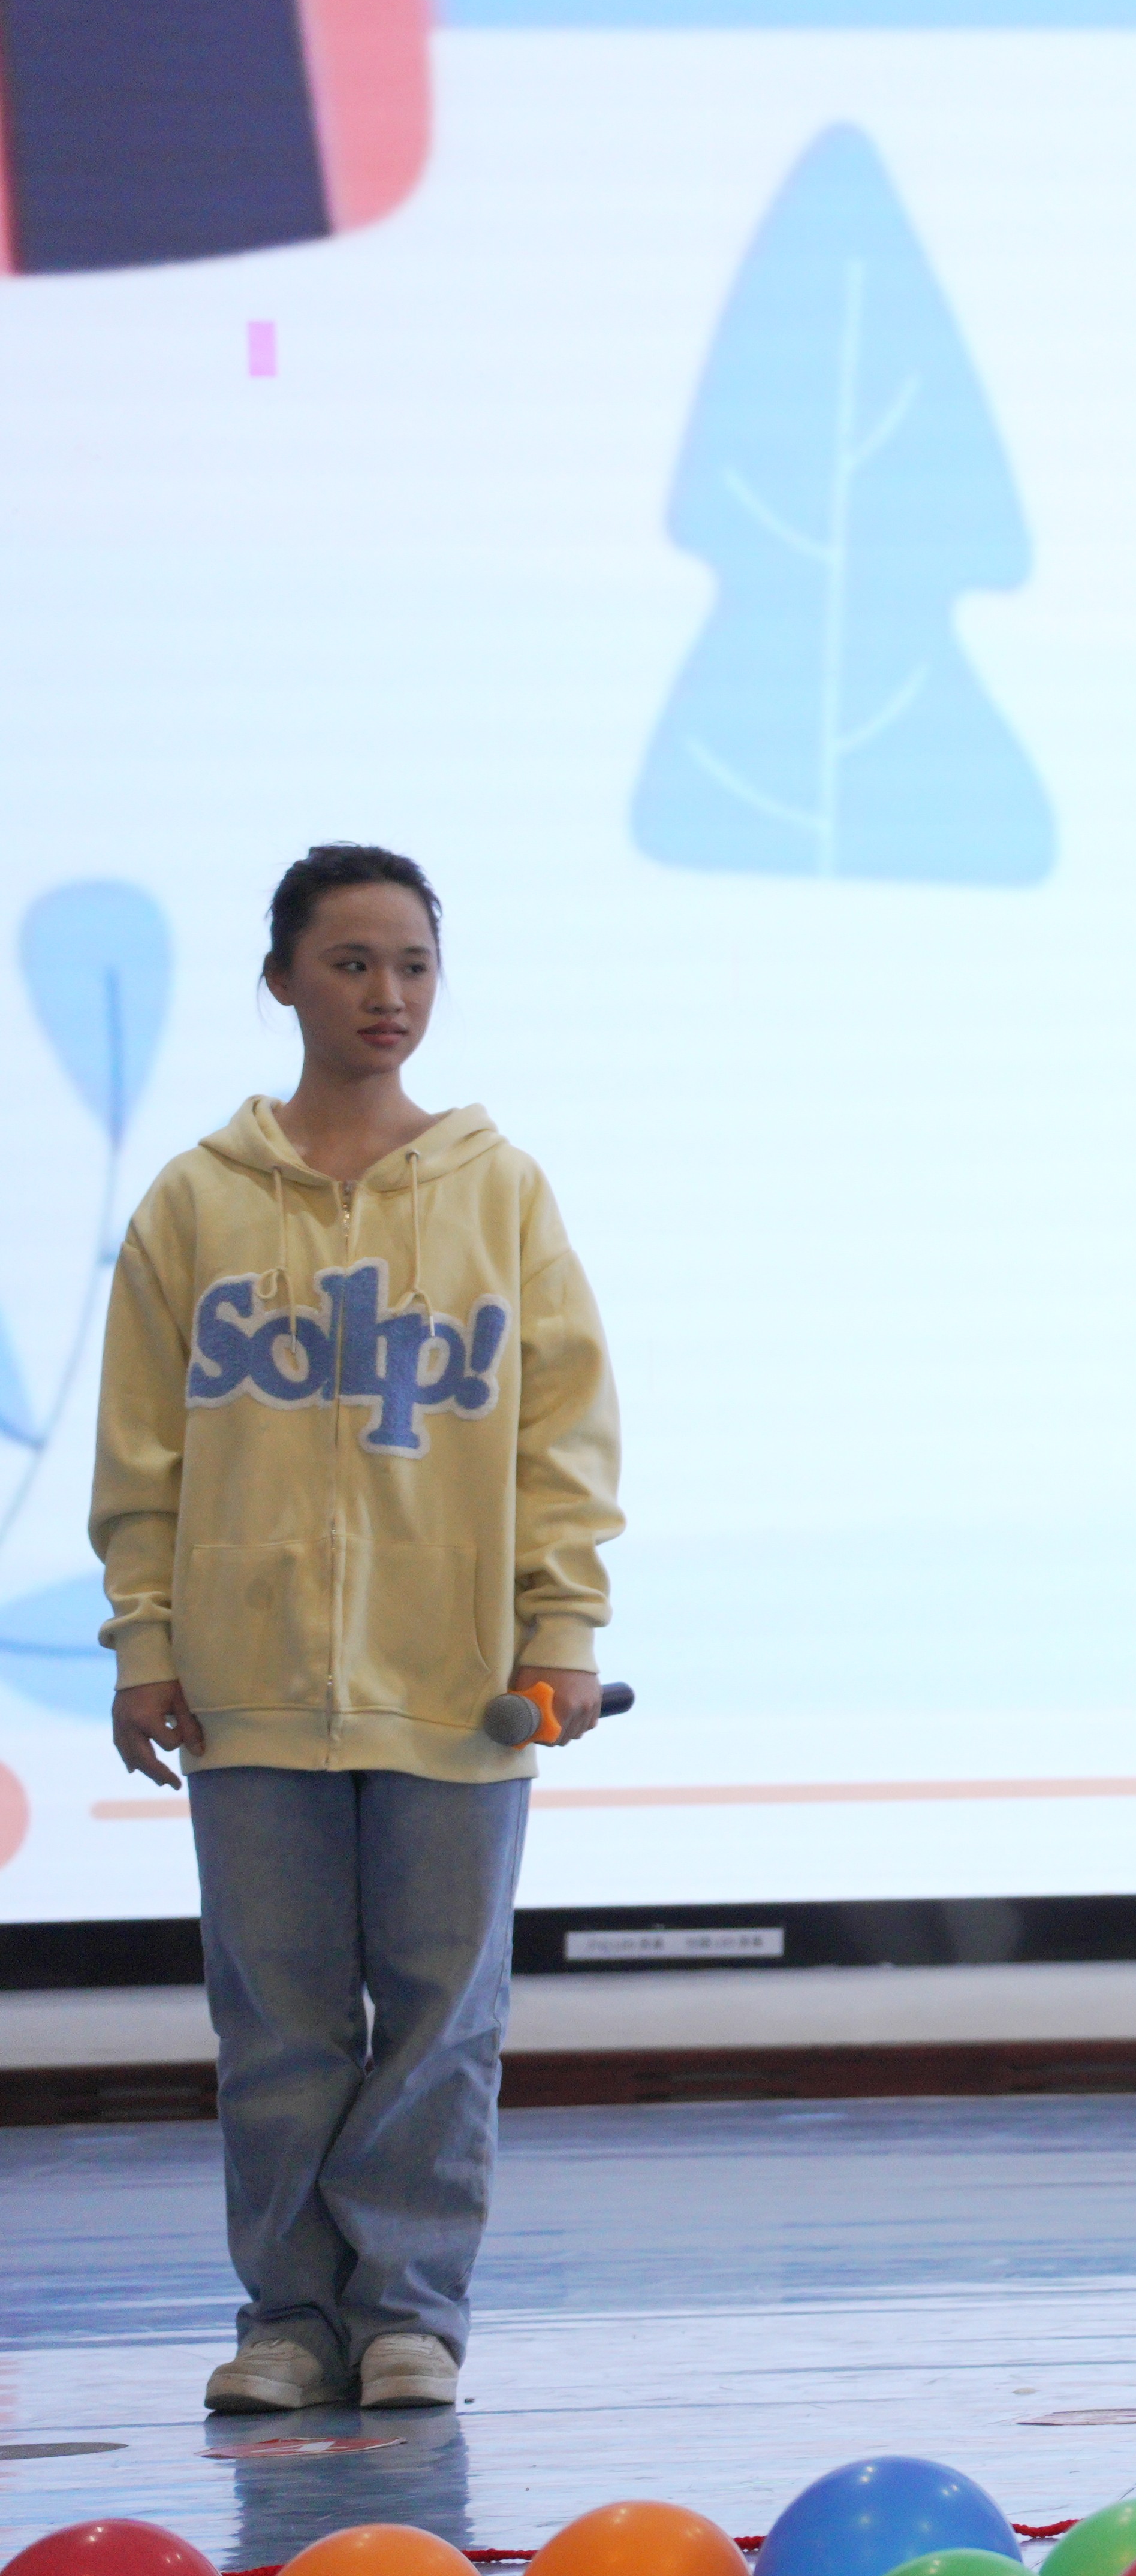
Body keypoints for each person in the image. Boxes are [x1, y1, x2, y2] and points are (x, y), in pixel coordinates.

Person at [96, 844, 622, 2415]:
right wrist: (145, 1641)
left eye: (413, 964)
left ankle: (408, 2315)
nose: (387, 994)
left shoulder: (500, 1192)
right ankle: (286, 2320)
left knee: (443, 2021)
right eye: (349, 962)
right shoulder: (194, 1200)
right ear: (281, 980)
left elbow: (564, 1431)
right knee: (277, 2024)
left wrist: (562, 1621)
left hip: (458, 1686)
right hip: (248, 1686)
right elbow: (142, 1453)